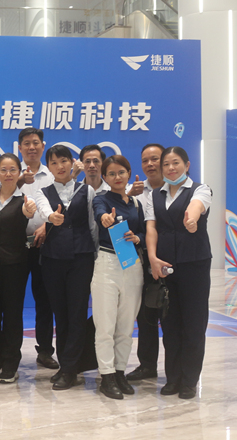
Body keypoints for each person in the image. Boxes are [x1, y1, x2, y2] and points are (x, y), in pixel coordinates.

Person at [145, 146, 212, 400]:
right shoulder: (154, 195)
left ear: (187, 165)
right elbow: (151, 228)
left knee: (194, 324)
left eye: (176, 163)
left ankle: (189, 381)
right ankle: (173, 378)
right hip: (165, 266)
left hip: (194, 265)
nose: (171, 168)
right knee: (170, 324)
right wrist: (152, 258)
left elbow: (196, 207)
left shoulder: (200, 189)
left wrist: (191, 220)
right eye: (166, 164)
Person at [34, 144, 98, 390]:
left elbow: (92, 226)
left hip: (81, 259)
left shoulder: (87, 190)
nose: (59, 166)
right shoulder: (43, 191)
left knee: (77, 314)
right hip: (53, 260)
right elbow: (44, 210)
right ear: (49, 167)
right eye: (54, 163)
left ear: (72, 163)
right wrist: (52, 217)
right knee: (60, 315)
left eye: (63, 161)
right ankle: (66, 365)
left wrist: (94, 255)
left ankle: (70, 368)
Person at [91, 155, 146, 400]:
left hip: (132, 263)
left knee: (126, 325)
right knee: (105, 325)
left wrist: (138, 238)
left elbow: (143, 230)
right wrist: (105, 218)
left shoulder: (136, 203)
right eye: (111, 174)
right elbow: (100, 214)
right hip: (108, 263)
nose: (117, 177)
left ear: (129, 173)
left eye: (121, 172)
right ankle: (107, 375)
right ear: (104, 177)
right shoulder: (101, 199)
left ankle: (120, 371)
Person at [0, 153, 37, 384]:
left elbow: (29, 217)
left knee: (13, 315)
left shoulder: (25, 200)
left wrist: (29, 213)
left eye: (13, 169)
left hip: (15, 266)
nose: (8, 174)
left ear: (19, 173)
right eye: (3, 170)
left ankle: (10, 364)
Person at [16, 128, 58, 370]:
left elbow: (61, 206)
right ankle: (11, 351)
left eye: (35, 143)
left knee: (45, 301)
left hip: (45, 243)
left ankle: (45, 351)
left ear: (43, 146)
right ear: (19, 147)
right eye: (26, 143)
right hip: (17, 245)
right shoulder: (11, 173)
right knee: (13, 300)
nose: (31, 147)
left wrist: (46, 225)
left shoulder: (52, 174)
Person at [126, 143, 166, 382]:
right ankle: (147, 365)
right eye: (145, 160)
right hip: (143, 261)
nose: (150, 164)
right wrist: (129, 196)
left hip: (172, 260)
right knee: (146, 316)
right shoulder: (135, 192)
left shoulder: (178, 190)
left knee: (171, 317)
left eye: (155, 159)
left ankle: (175, 368)